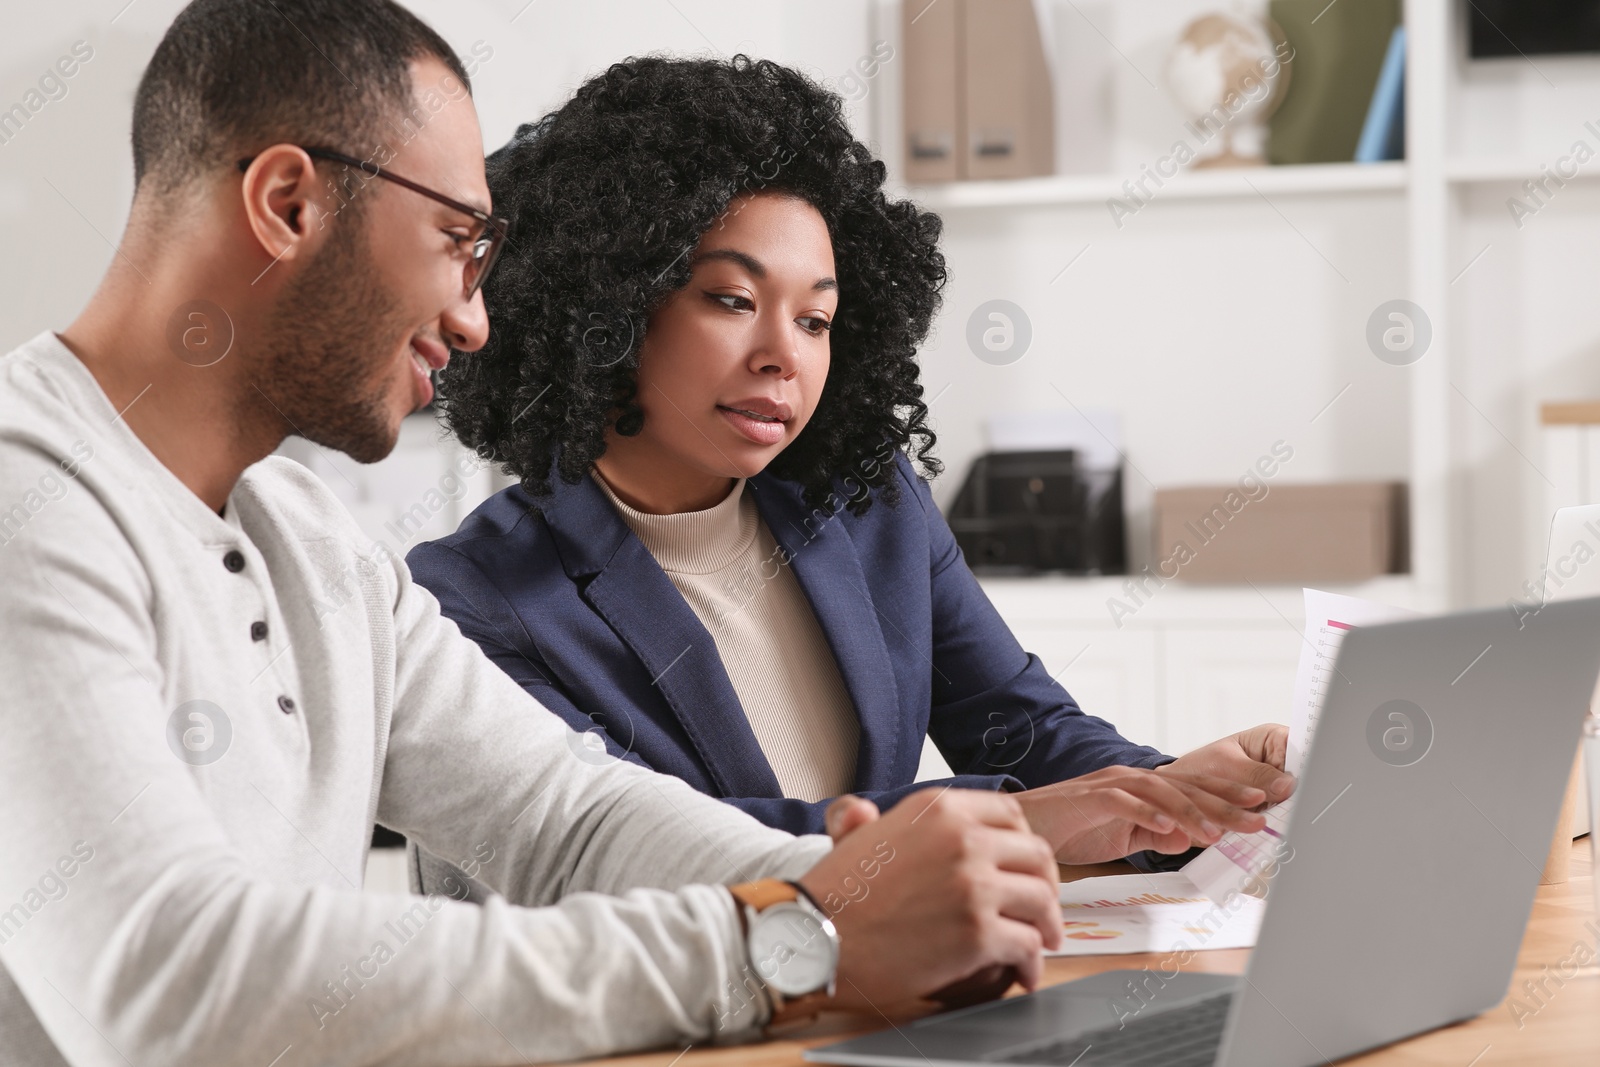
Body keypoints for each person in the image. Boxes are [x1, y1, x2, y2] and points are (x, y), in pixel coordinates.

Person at [0, 3, 1132, 1063]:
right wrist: (794, 939)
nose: (474, 315)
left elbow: (567, 818)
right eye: (455, 239)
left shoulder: (305, 535)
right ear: (290, 204)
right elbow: (166, 982)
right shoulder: (29, 502)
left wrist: (862, 889)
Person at [409, 54, 1293, 891]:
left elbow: (1022, 725)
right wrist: (1009, 823)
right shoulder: (475, 597)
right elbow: (652, 849)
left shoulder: (868, 502)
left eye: (817, 319)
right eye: (733, 300)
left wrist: (1186, 792)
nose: (782, 357)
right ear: (605, 304)